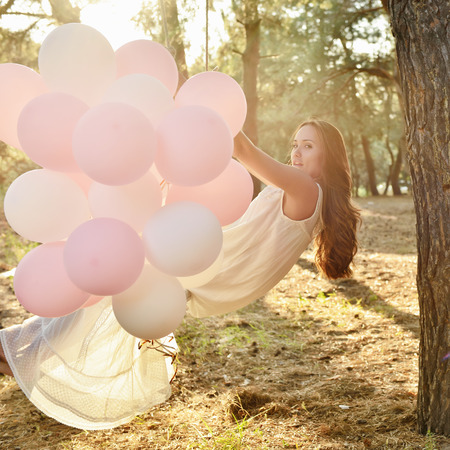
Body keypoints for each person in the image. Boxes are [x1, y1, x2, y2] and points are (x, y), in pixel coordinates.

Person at [0, 118, 360, 429]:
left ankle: (20, 350)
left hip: (213, 263)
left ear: (328, 156)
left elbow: (246, 153)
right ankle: (21, 349)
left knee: (118, 279)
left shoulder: (306, 190)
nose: (296, 153)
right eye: (295, 144)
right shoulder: (309, 193)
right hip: (210, 261)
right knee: (113, 294)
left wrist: (212, 109)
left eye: (308, 146)